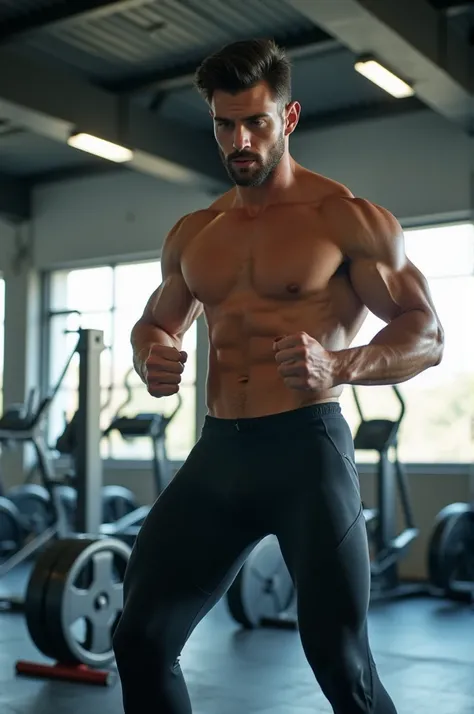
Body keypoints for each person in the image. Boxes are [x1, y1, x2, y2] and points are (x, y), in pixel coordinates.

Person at [113, 38, 444, 714]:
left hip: (306, 453)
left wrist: (341, 363)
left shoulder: (346, 219)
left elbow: (427, 334)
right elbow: (156, 322)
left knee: (341, 666)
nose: (239, 139)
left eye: (255, 121)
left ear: (287, 119)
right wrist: (150, 352)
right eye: (223, 123)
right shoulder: (196, 230)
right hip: (217, 454)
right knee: (140, 638)